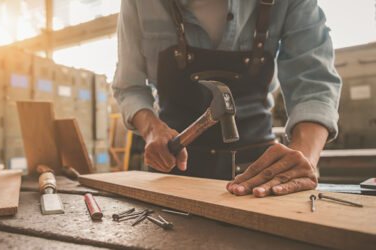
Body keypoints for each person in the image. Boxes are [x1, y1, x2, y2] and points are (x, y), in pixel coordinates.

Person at [112, 0, 341, 198]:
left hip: (258, 175)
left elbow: (315, 84)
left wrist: (302, 156)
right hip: (172, 168)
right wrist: (152, 130)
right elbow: (128, 86)